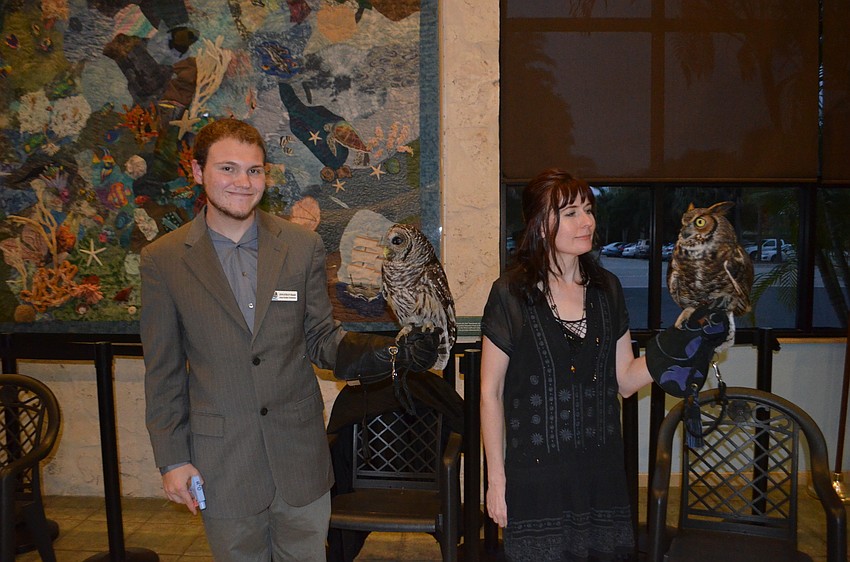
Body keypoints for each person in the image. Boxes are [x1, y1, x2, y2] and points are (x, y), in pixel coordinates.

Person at [140, 118, 438, 561]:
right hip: (222, 462)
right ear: (198, 171)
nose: (243, 182)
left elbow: (321, 339)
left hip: (299, 457)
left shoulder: (301, 247)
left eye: (254, 170)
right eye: (228, 169)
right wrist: (172, 459)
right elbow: (162, 372)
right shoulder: (163, 260)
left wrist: (389, 353)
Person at [479, 168, 728, 561]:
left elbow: (626, 381)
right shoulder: (510, 293)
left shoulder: (607, 289)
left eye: (589, 209)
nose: (588, 221)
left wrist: (679, 347)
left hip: (601, 472)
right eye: (572, 212)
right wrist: (496, 480)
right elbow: (490, 393)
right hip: (535, 475)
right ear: (542, 224)